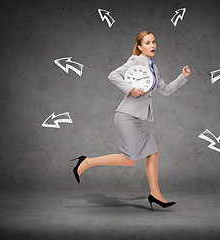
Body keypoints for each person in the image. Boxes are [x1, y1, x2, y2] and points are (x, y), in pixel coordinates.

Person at [71, 30, 191, 211]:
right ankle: (86, 162)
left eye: (154, 42)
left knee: (153, 153)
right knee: (129, 159)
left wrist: (183, 76)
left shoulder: (154, 68)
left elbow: (165, 90)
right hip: (126, 116)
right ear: (140, 47)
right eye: (148, 43)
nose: (152, 46)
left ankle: (155, 194)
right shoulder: (135, 61)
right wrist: (130, 89)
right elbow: (113, 75)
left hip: (135, 118)